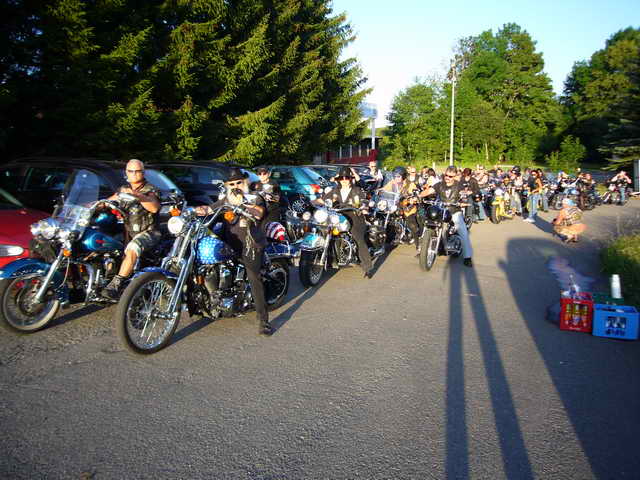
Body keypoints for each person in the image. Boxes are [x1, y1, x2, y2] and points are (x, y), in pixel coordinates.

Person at [195, 168, 273, 335]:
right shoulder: (226, 199)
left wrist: (243, 203)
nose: (235, 186)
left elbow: (259, 213)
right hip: (229, 242)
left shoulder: (254, 197)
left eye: (239, 182)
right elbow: (209, 209)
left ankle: (263, 320)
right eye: (232, 184)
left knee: (254, 277)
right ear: (227, 185)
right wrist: (194, 210)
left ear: (245, 182)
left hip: (250, 244)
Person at [103, 159, 161, 299]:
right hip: (126, 231)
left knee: (133, 247)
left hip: (149, 231)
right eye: (131, 171)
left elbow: (154, 207)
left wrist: (136, 195)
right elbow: (108, 201)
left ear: (143, 172)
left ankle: (117, 283)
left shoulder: (151, 189)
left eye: (137, 171)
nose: (134, 174)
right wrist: (92, 205)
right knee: (104, 243)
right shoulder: (123, 189)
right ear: (126, 173)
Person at [319, 166, 373, 277]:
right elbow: (323, 200)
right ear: (339, 179)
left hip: (355, 216)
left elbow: (364, 201)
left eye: (346, 178)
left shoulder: (356, 190)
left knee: (358, 237)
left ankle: (367, 267)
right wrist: (311, 202)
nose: (344, 180)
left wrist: (363, 206)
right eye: (342, 178)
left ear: (350, 179)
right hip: (337, 216)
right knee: (323, 230)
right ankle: (327, 258)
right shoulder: (335, 190)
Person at [419, 165, 473, 267]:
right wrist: (418, 195)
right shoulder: (439, 184)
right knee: (428, 223)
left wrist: (463, 200)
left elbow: (464, 194)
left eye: (450, 176)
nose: (447, 177)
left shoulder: (459, 185)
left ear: (455, 176)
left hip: (454, 211)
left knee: (463, 231)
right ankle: (423, 250)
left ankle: (467, 257)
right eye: (446, 175)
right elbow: (429, 191)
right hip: (441, 209)